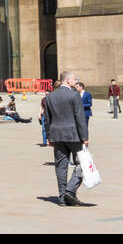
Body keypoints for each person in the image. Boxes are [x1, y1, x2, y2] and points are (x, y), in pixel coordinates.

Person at [42, 70, 90, 206]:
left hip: (57, 135)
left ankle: (62, 198)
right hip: (73, 135)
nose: (76, 81)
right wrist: (85, 137)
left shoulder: (50, 96)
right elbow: (79, 118)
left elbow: (47, 118)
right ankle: (70, 190)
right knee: (83, 163)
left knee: (61, 166)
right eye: (75, 79)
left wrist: (49, 136)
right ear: (68, 80)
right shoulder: (74, 95)